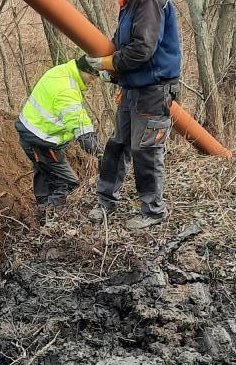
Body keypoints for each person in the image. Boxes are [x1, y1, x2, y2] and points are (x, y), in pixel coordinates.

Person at [85, 0, 182, 230]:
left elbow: (142, 49)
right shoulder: (128, 6)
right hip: (133, 88)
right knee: (117, 144)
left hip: (154, 89)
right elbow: (121, 43)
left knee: (146, 149)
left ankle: (153, 211)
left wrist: (110, 63)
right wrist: (115, 75)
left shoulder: (148, 2)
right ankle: (105, 200)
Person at [16, 55, 101, 214]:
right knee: (69, 185)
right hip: (42, 142)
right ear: (82, 70)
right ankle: (50, 215)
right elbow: (79, 123)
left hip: (30, 134)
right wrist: (100, 151)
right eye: (91, 76)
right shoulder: (66, 89)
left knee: (45, 177)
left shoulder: (62, 71)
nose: (93, 81)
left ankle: (41, 214)